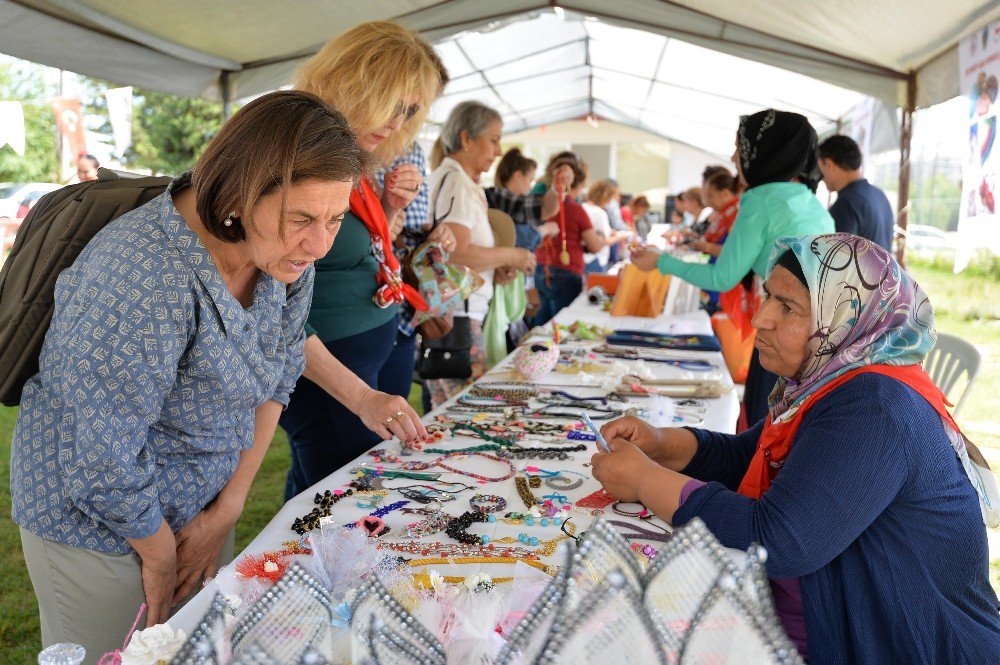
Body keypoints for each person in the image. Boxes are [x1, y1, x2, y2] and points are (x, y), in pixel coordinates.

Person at [11, 91, 368, 657]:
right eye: (302, 219)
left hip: (199, 509)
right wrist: (158, 551)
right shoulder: (140, 273)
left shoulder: (284, 258)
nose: (319, 245)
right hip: (101, 527)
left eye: (335, 220)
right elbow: (98, 454)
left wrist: (225, 511)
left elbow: (279, 374)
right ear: (241, 193)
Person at [593, 233, 1000, 663]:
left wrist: (643, 479)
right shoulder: (830, 380)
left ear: (844, 316)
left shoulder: (874, 407)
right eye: (768, 297)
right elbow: (746, 457)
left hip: (904, 645)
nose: (761, 319)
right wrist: (659, 443)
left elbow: (780, 540)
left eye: (787, 308)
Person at [282, 20, 449, 499]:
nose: (398, 124)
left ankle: (283, 572)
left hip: (369, 346)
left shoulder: (346, 156)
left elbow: (359, 246)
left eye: (410, 112)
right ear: (356, 83)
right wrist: (359, 395)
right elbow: (272, 304)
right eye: (393, 105)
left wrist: (391, 209)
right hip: (329, 371)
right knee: (345, 502)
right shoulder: (297, 154)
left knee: (317, 497)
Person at [632, 109, 835, 427]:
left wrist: (661, 260)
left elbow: (722, 277)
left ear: (765, 153)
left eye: (741, 150)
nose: (733, 157)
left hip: (779, 335)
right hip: (817, 339)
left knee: (761, 425)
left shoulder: (760, 199)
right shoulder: (811, 201)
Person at [424, 100, 537, 408]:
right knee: (469, 413)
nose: (499, 151)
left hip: (457, 315)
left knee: (451, 413)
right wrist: (511, 256)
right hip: (456, 319)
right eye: (494, 140)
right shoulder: (456, 182)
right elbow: (457, 253)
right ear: (466, 139)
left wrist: (497, 264)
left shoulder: (458, 181)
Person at [533, 160, 610, 325]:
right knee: (563, 325)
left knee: (542, 323)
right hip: (566, 271)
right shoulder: (575, 209)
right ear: (579, 183)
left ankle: (538, 351)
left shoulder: (542, 204)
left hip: (540, 267)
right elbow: (595, 246)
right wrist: (604, 239)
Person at [817, 134, 894, 251]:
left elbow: (837, 259)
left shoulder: (847, 203)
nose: (820, 177)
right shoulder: (879, 195)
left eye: (820, 168)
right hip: (883, 269)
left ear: (828, 164)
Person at [484, 147, 563, 251]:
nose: (530, 187)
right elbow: (545, 209)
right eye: (530, 181)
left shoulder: (496, 197)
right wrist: (545, 229)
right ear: (518, 176)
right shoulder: (499, 197)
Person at [582, 179, 628, 273]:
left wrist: (610, 232)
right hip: (596, 260)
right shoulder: (599, 213)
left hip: (584, 258)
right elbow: (604, 241)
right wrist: (620, 236)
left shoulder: (582, 208)